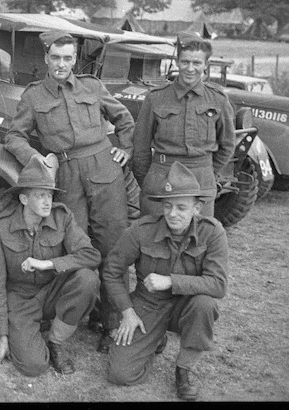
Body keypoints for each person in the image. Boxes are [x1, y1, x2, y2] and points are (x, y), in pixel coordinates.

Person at [4, 30, 135, 354]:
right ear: (46, 59)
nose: (61, 64)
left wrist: (126, 148)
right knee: (79, 246)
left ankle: (111, 323)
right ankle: (80, 310)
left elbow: (124, 118)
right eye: (55, 58)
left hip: (104, 169)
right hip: (67, 175)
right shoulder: (33, 96)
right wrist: (36, 158)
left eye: (67, 58)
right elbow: (14, 137)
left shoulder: (92, 85)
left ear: (74, 60)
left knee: (113, 246)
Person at [103, 161, 229, 401]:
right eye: (167, 206)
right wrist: (127, 311)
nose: (173, 213)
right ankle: (153, 340)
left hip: (187, 306)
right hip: (148, 305)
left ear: (197, 208)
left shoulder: (212, 233)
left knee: (205, 304)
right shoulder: (142, 230)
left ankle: (184, 370)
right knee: (120, 374)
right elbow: (112, 270)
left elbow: (218, 285)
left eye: (182, 207)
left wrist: (170, 281)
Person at [0, 156, 101, 376]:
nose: (47, 201)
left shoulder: (62, 217)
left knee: (87, 279)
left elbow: (91, 255)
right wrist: (1, 336)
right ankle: (32, 333)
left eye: (49, 195)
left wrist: (48, 264)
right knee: (33, 367)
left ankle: (56, 342)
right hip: (21, 301)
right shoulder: (1, 227)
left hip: (52, 291)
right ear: (24, 199)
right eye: (40, 196)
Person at [132, 32, 235, 218]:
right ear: (177, 62)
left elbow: (227, 144)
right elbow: (140, 146)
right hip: (162, 176)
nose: (190, 68)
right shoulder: (156, 97)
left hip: (201, 178)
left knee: (198, 237)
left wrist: (209, 172)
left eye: (196, 63)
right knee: (154, 236)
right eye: (185, 62)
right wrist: (149, 179)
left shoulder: (218, 99)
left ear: (205, 65)